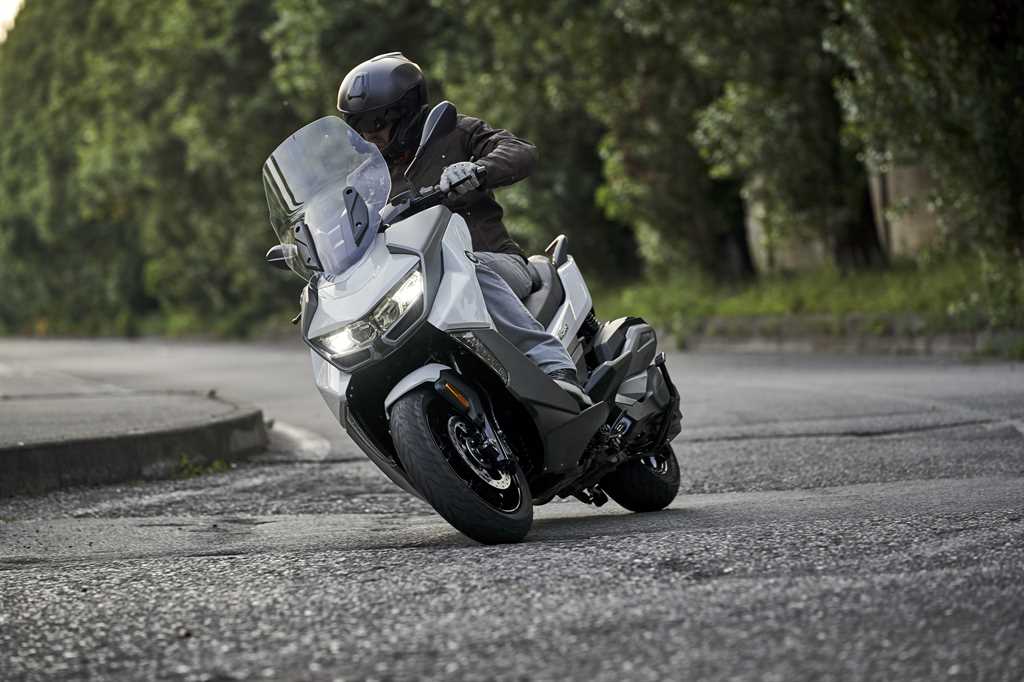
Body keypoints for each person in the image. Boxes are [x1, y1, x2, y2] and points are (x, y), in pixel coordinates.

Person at [337, 52, 589, 406]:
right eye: (358, 125)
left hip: (494, 260)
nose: (368, 133)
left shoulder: (453, 133)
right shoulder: (367, 179)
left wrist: (479, 170)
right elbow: (345, 230)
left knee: (459, 267)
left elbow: (520, 151)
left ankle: (554, 365)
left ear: (404, 112)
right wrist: (314, 248)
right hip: (417, 281)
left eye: (376, 122)